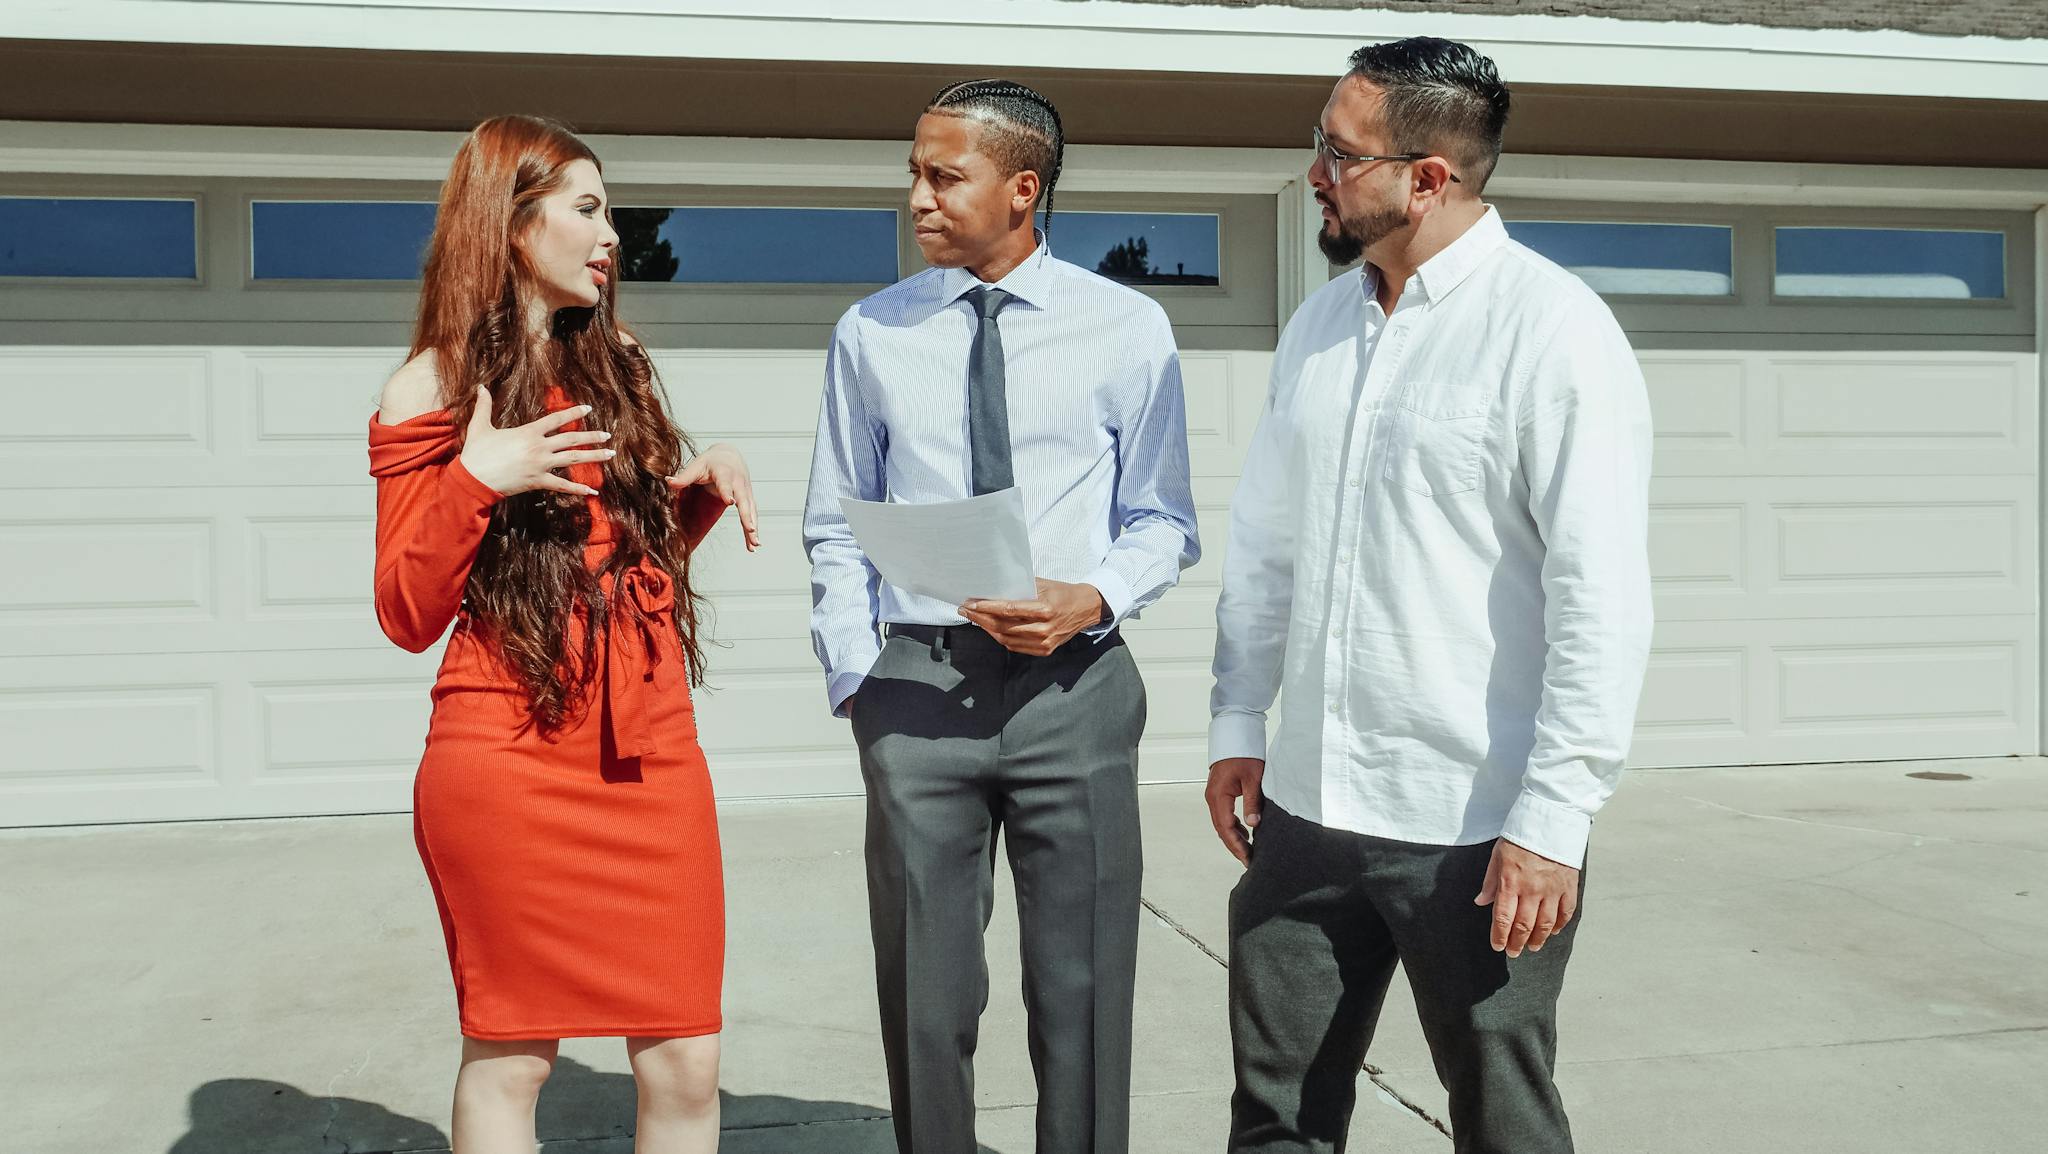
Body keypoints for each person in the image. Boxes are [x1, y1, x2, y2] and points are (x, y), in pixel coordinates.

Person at [1205, 38, 1654, 1154]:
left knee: (1502, 1119)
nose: (1312, 169)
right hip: (1305, 812)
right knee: (1273, 1118)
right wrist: (1235, 723)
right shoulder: (1317, 328)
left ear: (1426, 178)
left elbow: (1598, 594)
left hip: (1474, 824)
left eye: (1336, 151)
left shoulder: (1551, 331)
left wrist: (1551, 819)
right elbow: (1265, 547)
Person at [802, 79, 1200, 1154]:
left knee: (1081, 990)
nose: (917, 198)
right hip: (916, 688)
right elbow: (835, 523)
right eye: (913, 174)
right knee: (926, 998)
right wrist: (858, 681)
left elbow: (1162, 517)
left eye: (944, 175)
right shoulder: (870, 333)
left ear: (1022, 188)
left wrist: (1096, 596)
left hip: (1074, 689)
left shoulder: (1126, 326)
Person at [368, 114, 759, 1154]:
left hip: (648, 748)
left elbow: (606, 560)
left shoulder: (615, 359)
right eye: (587, 209)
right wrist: (472, 480)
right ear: (510, 224)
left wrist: (692, 494)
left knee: (687, 1055)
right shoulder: (429, 387)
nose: (611, 236)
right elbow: (405, 610)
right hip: (505, 755)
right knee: (512, 1053)